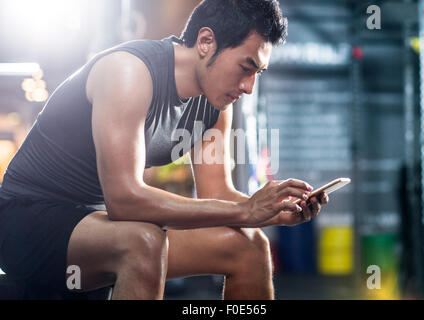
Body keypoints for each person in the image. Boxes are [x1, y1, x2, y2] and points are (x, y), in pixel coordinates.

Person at [0, 0, 329, 300]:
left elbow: (217, 194)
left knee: (250, 245)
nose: (248, 87)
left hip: (100, 224)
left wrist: (272, 211)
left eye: (258, 73)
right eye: (246, 67)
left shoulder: (215, 105)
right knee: (143, 241)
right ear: (205, 42)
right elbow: (125, 200)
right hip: (26, 218)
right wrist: (246, 211)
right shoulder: (129, 71)